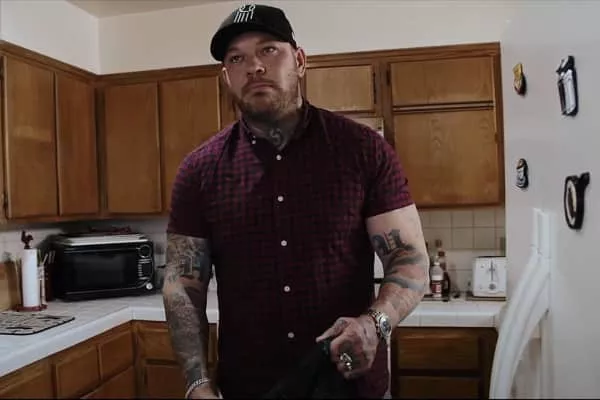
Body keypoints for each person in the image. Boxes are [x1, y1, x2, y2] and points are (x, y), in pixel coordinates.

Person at [162, 3, 429, 399]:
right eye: (237, 58)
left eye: (268, 50)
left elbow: (409, 257)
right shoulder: (199, 171)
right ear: (226, 77)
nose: (254, 67)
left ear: (300, 61)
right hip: (250, 388)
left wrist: (376, 323)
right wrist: (196, 382)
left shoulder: (363, 151)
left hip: (350, 386)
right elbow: (184, 287)